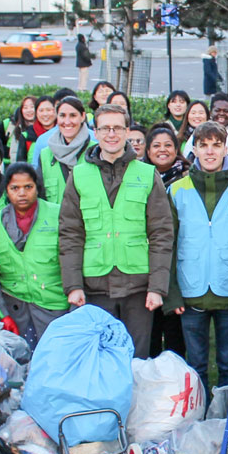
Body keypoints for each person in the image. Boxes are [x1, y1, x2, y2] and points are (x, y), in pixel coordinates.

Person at [57, 104, 175, 358]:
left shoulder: (147, 174)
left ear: (127, 131)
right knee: (99, 358)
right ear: (95, 132)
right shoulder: (78, 176)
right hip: (94, 286)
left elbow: (161, 234)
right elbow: (70, 234)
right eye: (105, 128)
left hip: (138, 287)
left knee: (135, 358)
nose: (111, 134)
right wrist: (73, 285)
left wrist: (157, 287)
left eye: (117, 128)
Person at [170, 123, 228, 391]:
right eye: (203, 145)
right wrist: (172, 293)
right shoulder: (176, 190)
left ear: (225, 149)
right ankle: (198, 413)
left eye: (216, 145)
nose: (210, 151)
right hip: (190, 290)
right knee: (195, 365)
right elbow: (168, 245)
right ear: (194, 149)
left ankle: (224, 413)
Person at [0, 165, 67, 346]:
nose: (22, 193)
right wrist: (3, 313)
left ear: (37, 187)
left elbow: (72, 260)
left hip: (55, 306)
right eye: (15, 188)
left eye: (28, 187)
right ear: (7, 190)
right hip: (15, 310)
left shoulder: (58, 214)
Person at [33, 97, 93, 209]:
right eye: (62, 116)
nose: (67, 121)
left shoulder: (95, 151)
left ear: (82, 116)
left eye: (73, 115)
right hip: (55, 219)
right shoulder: (46, 155)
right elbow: (39, 197)